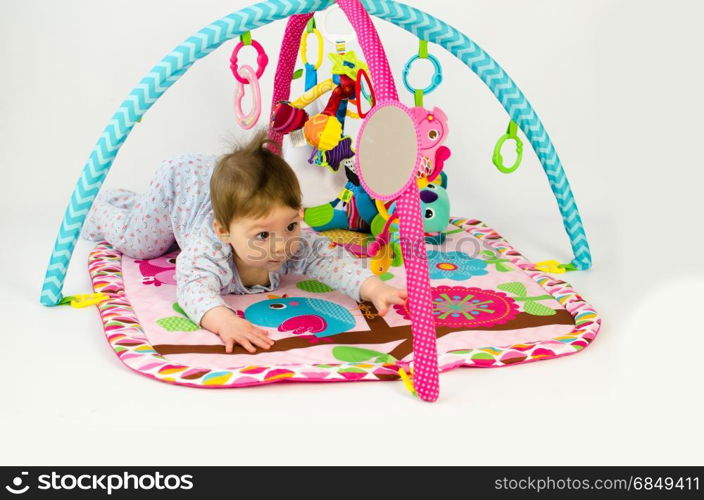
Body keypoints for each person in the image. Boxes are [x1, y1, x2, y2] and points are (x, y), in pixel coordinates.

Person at [81, 130, 407, 353]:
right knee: (142, 245)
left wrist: (372, 287)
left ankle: (135, 205)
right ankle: (102, 207)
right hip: (180, 184)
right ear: (223, 231)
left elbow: (327, 259)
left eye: (292, 225)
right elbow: (193, 287)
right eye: (263, 235)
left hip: (223, 187)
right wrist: (222, 320)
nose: (280, 246)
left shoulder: (286, 236)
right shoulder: (208, 249)